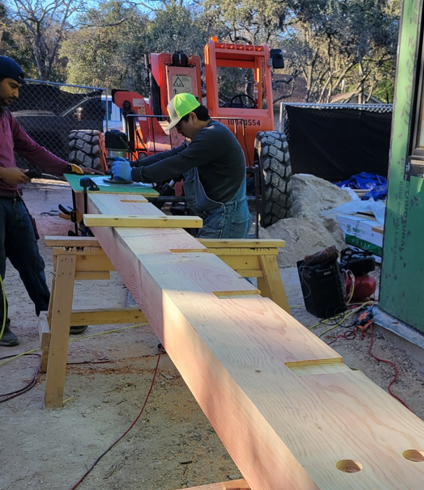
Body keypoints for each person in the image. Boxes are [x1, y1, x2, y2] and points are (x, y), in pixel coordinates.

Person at [0, 55, 85, 347]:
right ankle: (1, 327)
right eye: (12, 86)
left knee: (32, 262)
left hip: (13, 202)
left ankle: (51, 313)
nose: (16, 94)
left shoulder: (7, 117)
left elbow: (33, 149)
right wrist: (3, 172)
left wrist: (65, 167)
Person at [111, 93, 250, 240]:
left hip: (226, 218)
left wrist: (133, 174)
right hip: (220, 215)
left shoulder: (212, 136)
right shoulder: (202, 136)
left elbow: (176, 163)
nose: (178, 131)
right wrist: (134, 165)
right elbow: (171, 155)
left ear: (192, 117)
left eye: (179, 125)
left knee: (207, 262)